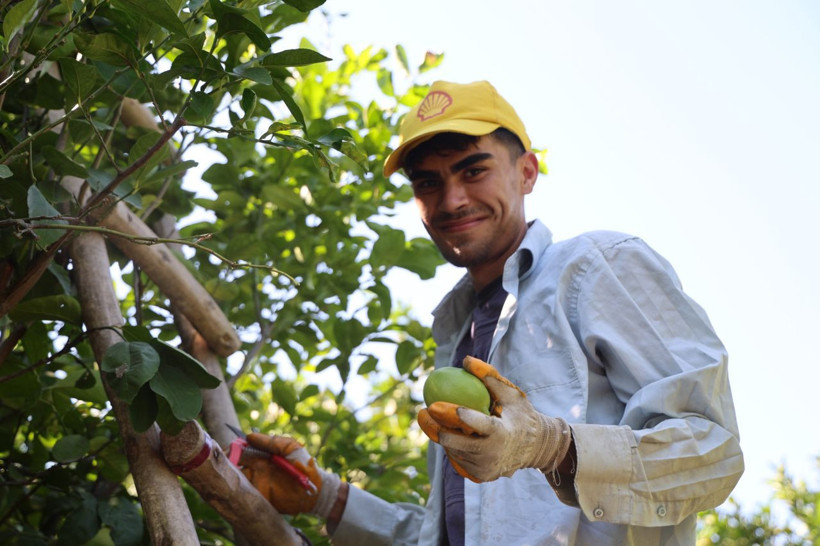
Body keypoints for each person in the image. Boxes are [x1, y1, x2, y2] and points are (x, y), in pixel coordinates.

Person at [240, 80, 744, 545]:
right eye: (427, 183)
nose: (452, 199)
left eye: (473, 169)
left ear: (526, 172)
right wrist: (325, 497)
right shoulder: (459, 335)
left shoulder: (596, 267)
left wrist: (550, 447)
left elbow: (712, 451)